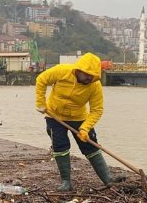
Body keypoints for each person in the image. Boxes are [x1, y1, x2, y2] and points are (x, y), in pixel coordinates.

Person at [34, 52, 116, 191]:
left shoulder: (94, 85)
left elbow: (97, 110)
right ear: (79, 70)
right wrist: (41, 102)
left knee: (90, 146)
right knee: (60, 145)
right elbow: (41, 79)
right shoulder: (61, 71)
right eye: (87, 74)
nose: (89, 78)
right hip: (55, 115)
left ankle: (107, 179)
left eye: (92, 75)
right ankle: (66, 182)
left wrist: (85, 128)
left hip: (79, 117)